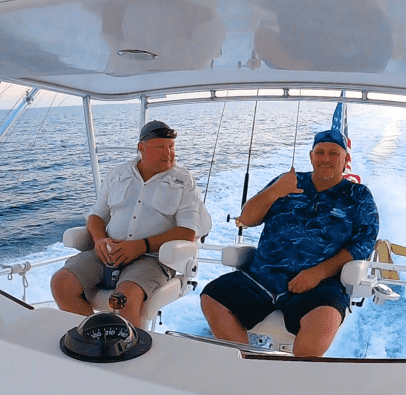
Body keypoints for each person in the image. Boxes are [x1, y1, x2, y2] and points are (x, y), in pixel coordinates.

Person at [201, 128, 379, 357]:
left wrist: (319, 273)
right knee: (212, 297)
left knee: (324, 320)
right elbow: (247, 219)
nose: (325, 158)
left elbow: (364, 243)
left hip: (319, 284)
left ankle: (294, 374)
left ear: (346, 159)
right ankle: (246, 363)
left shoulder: (359, 196)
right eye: (320, 152)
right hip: (262, 277)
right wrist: (275, 191)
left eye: (334, 153)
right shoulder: (287, 182)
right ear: (311, 156)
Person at [51, 120, 211, 327]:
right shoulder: (118, 174)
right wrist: (99, 240)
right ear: (141, 148)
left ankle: (127, 345)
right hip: (109, 251)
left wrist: (140, 246)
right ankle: (94, 335)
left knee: (123, 299)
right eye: (160, 147)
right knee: (61, 283)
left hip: (152, 258)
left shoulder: (183, 181)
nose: (168, 154)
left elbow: (187, 232)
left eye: (171, 147)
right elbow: (96, 216)